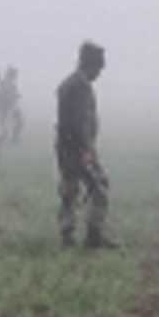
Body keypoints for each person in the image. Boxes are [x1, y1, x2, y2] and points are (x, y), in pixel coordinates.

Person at [55, 41, 115, 249]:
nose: (100, 73)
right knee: (99, 187)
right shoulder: (79, 86)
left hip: (67, 147)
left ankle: (67, 236)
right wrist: (87, 151)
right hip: (78, 148)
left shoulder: (69, 83)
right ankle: (94, 237)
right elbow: (79, 123)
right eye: (99, 67)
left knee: (69, 189)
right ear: (91, 64)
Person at [0, 66, 24, 143]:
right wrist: (14, 96)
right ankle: (5, 139)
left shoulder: (9, 83)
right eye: (15, 74)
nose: (16, 76)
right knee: (8, 125)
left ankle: (12, 138)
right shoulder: (5, 83)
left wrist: (16, 95)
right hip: (7, 107)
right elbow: (4, 95)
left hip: (11, 107)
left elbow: (11, 94)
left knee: (18, 123)